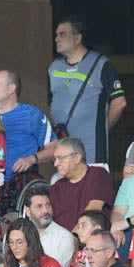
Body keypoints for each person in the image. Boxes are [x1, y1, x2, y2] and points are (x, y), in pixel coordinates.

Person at [49, 17, 126, 164]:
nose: (56, 39)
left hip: (92, 152)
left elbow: (119, 102)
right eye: (56, 35)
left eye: (62, 34)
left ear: (77, 38)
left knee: (92, 185)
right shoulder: (53, 68)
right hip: (62, 153)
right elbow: (51, 104)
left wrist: (101, 131)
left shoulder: (102, 65)